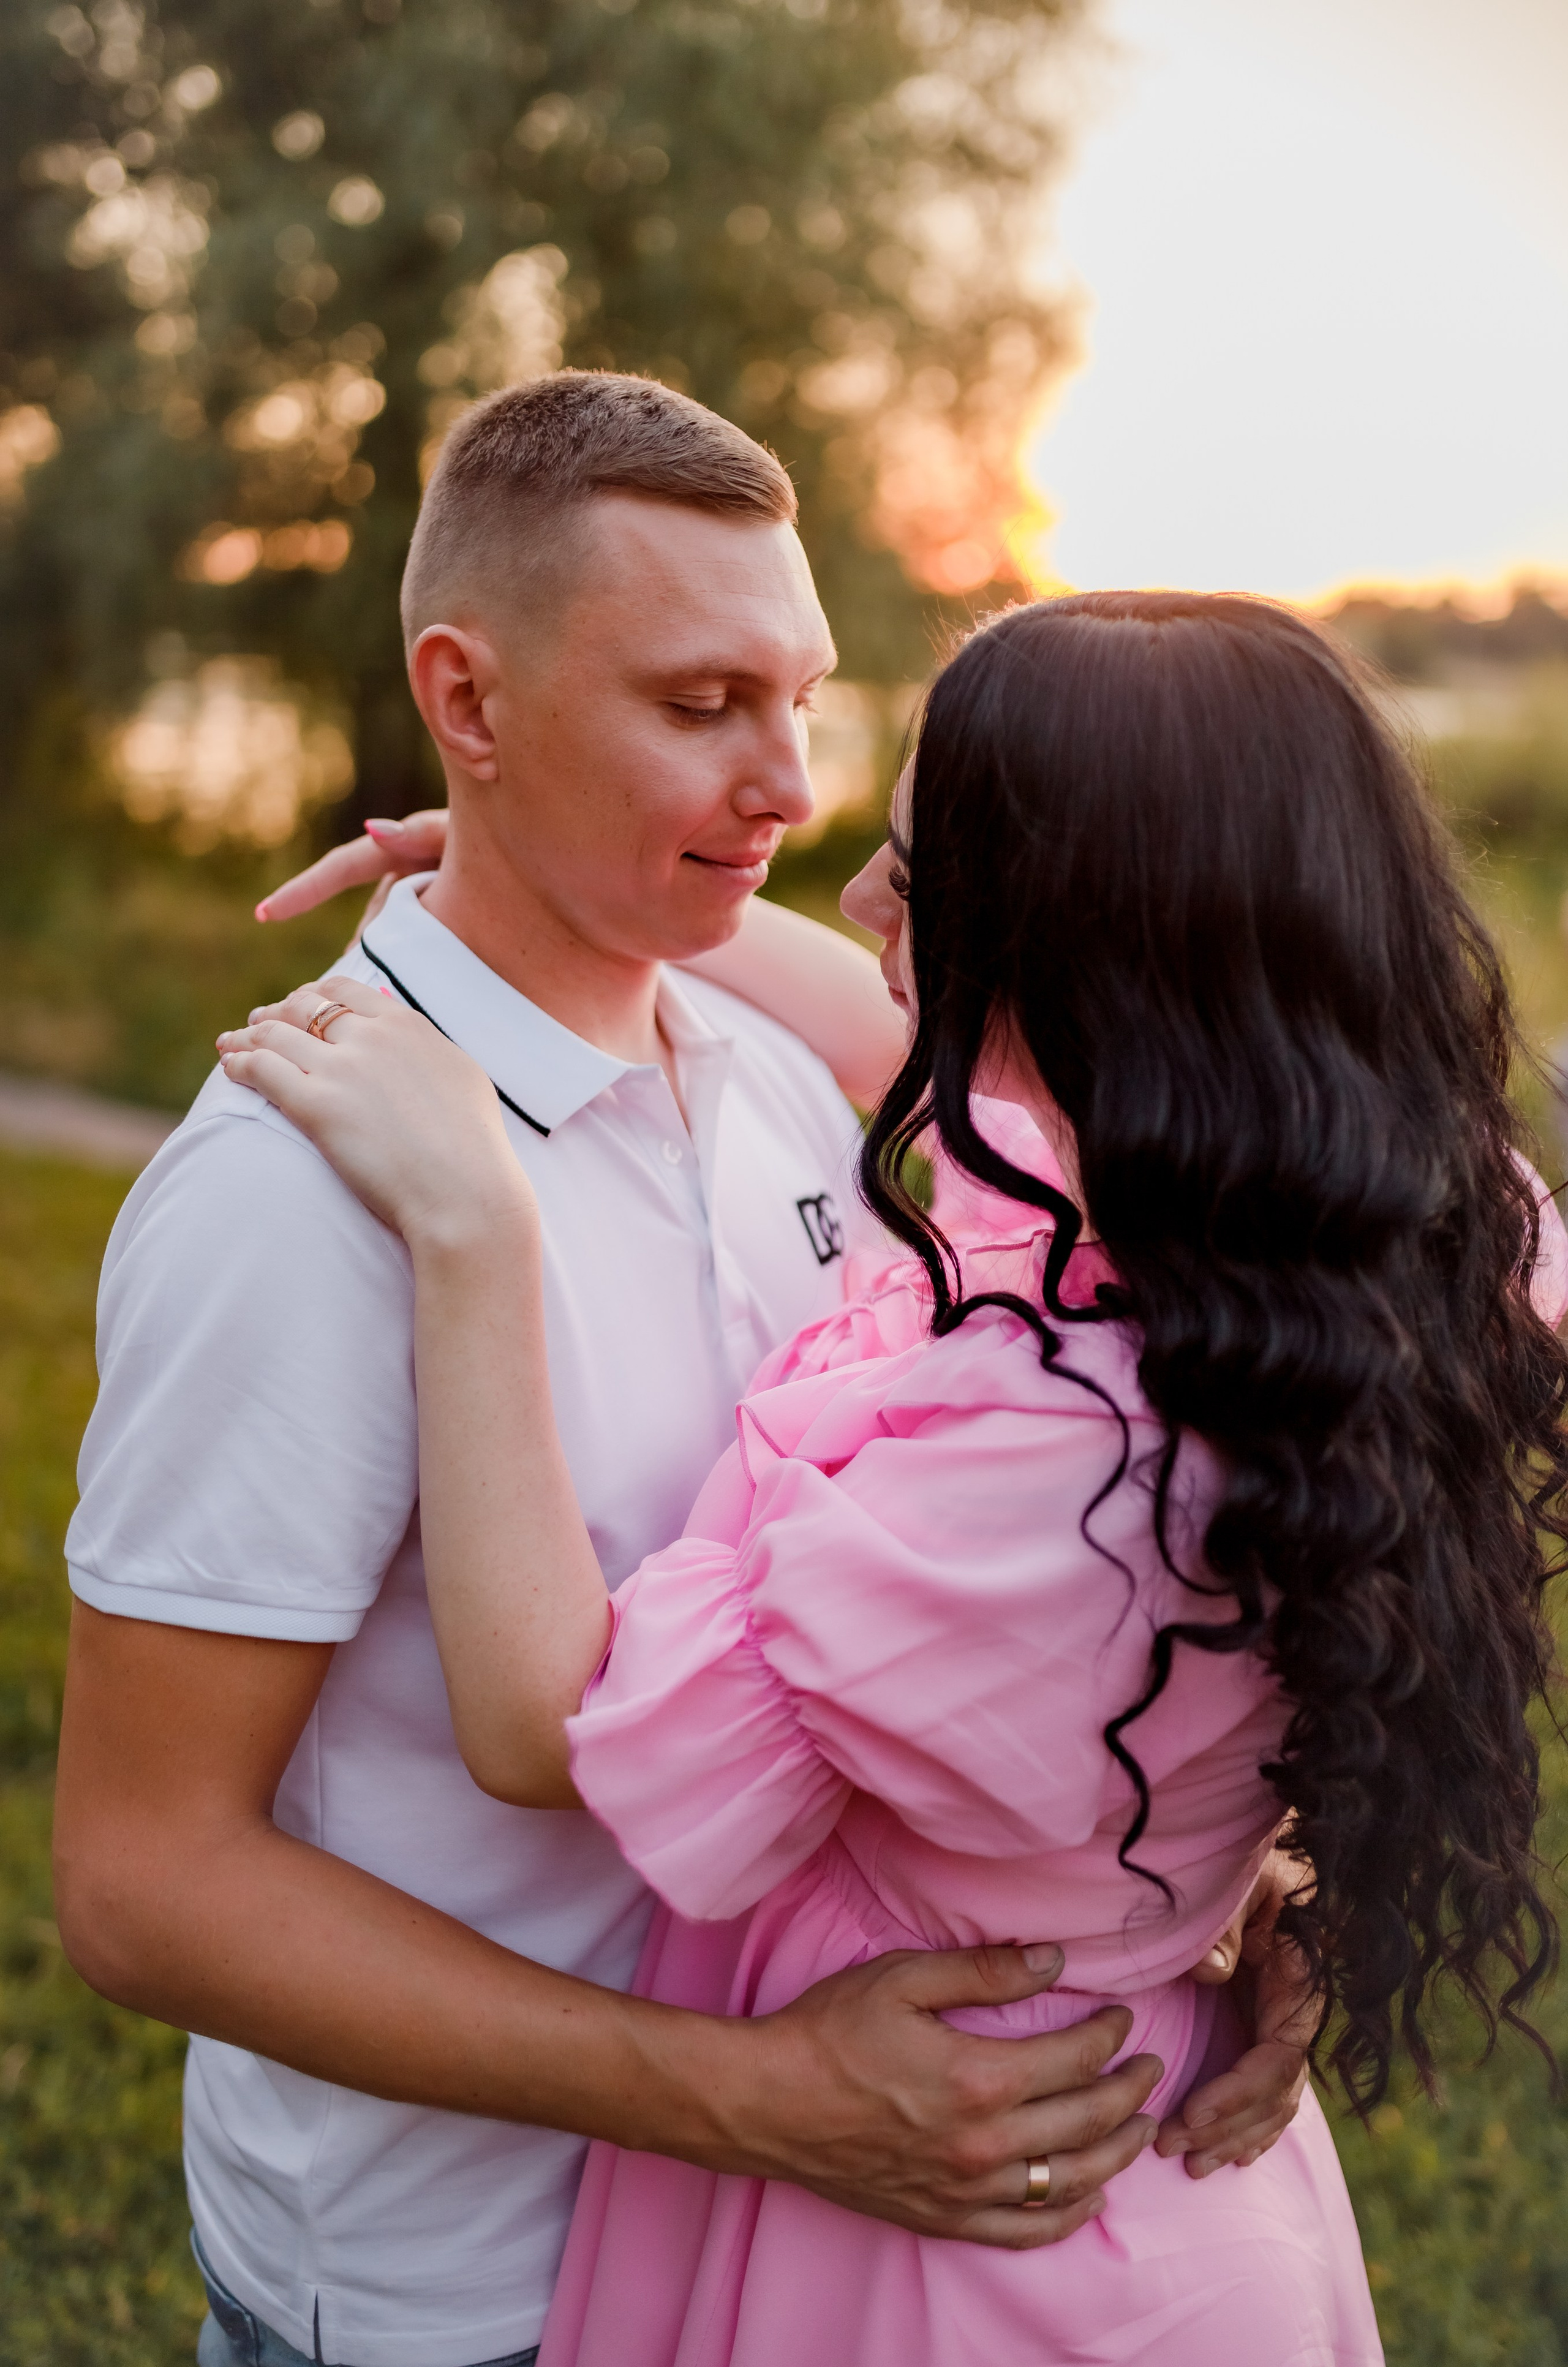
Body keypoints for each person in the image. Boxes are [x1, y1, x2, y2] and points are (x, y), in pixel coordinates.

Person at [52, 379, 1301, 2367]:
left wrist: (1225, 1880)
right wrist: (758, 2098)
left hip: (809, 2262)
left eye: (804, 694)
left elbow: (1032, 1589)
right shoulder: (296, 1203)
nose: (792, 782)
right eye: (699, 707)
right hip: (468, 2294)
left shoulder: (808, 1095)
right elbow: (141, 1884)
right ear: (467, 703)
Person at [218, 588, 1568, 2366]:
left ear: (1078, 948)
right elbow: (879, 1023)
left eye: (916, 881)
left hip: (957, 2239)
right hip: (1148, 2159)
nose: (850, 896)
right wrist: (539, 873)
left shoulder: (1035, 1472)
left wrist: (477, 1229)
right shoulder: (1378, 1226)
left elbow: (553, 1731)